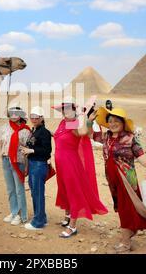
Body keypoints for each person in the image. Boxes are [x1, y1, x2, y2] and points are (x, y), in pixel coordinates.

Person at [90, 106, 146, 253]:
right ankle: (130, 233)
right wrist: (90, 120)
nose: (113, 123)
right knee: (122, 209)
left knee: (127, 210)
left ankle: (125, 242)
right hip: (113, 181)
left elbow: (140, 156)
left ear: (122, 122)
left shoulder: (130, 138)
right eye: (110, 121)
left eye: (116, 121)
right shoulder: (106, 136)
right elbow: (92, 135)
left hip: (127, 180)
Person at [52, 97, 108, 238]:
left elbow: (83, 132)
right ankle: (68, 217)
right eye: (64, 109)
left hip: (71, 164)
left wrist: (88, 120)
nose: (66, 111)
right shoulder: (63, 123)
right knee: (64, 190)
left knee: (73, 192)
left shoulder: (74, 124)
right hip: (61, 165)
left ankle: (72, 226)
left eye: (69, 108)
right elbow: (58, 136)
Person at [20, 106, 52, 230]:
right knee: (35, 192)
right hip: (33, 164)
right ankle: (41, 217)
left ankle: (38, 222)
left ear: (41, 118)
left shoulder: (44, 132)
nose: (33, 119)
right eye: (32, 117)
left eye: (36, 117)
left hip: (39, 165)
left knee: (38, 193)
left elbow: (47, 150)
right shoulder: (35, 130)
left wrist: (31, 150)